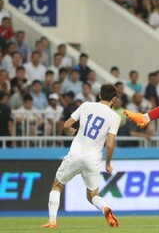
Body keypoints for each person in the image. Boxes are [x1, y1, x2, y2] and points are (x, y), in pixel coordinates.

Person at [41, 84, 120, 228]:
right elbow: (109, 144)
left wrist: (70, 131)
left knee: (57, 186)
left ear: (99, 95)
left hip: (75, 154)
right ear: (114, 99)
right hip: (93, 159)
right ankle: (105, 208)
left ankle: (52, 220)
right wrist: (108, 164)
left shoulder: (86, 106)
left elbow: (66, 125)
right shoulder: (115, 117)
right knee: (92, 196)